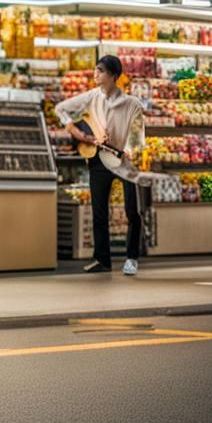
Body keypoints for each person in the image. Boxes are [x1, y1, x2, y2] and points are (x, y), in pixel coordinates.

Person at [54, 55, 146, 276]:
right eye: (95, 69)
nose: (96, 74)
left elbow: (137, 134)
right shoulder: (91, 97)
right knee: (99, 212)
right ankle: (101, 259)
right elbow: (61, 109)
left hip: (124, 161)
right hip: (98, 160)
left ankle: (132, 258)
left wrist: (131, 149)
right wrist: (77, 132)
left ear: (114, 76)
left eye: (101, 70)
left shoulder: (132, 104)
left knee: (132, 211)